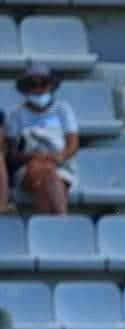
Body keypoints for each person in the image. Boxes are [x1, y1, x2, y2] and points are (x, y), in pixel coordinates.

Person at [4, 62, 78, 216]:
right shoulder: (15, 114)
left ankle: (51, 224)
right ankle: (63, 221)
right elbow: (11, 154)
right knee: (47, 174)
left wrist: (58, 157)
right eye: (33, 84)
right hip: (27, 166)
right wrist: (33, 157)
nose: (38, 89)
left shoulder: (63, 109)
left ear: (51, 86)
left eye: (43, 83)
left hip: (59, 164)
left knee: (46, 180)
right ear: (25, 88)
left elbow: (72, 144)